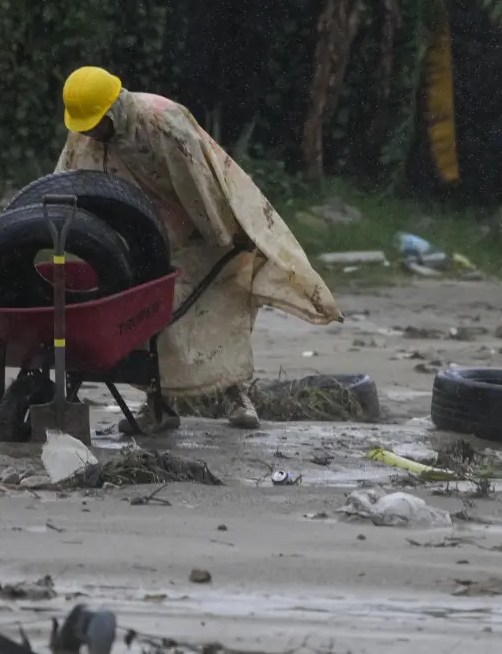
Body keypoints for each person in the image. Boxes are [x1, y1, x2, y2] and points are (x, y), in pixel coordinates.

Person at [55, 66, 344, 433]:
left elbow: (199, 183)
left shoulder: (162, 123)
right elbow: (67, 177)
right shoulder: (85, 133)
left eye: (93, 124)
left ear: (114, 110)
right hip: (140, 235)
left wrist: (220, 234)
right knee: (144, 321)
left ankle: (236, 396)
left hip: (200, 227)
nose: (87, 133)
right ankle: (157, 406)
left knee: (217, 313)